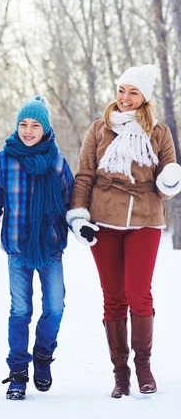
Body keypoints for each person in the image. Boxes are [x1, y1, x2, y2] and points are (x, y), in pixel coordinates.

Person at [67, 64, 181, 398]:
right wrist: (79, 216)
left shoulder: (158, 133)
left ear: (144, 97)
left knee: (138, 293)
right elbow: (85, 175)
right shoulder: (99, 129)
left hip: (145, 218)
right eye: (121, 90)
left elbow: (165, 185)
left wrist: (171, 180)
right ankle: (121, 373)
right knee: (113, 297)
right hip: (104, 220)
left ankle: (143, 365)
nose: (125, 98)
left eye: (133, 92)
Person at [0, 96, 74, 400]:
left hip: (50, 248)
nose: (28, 130)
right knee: (20, 310)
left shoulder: (58, 163)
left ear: (45, 128)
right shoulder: (2, 161)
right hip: (17, 248)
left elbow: (69, 205)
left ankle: (43, 357)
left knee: (55, 307)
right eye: (23, 124)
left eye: (35, 125)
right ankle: (18, 373)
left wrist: (80, 225)